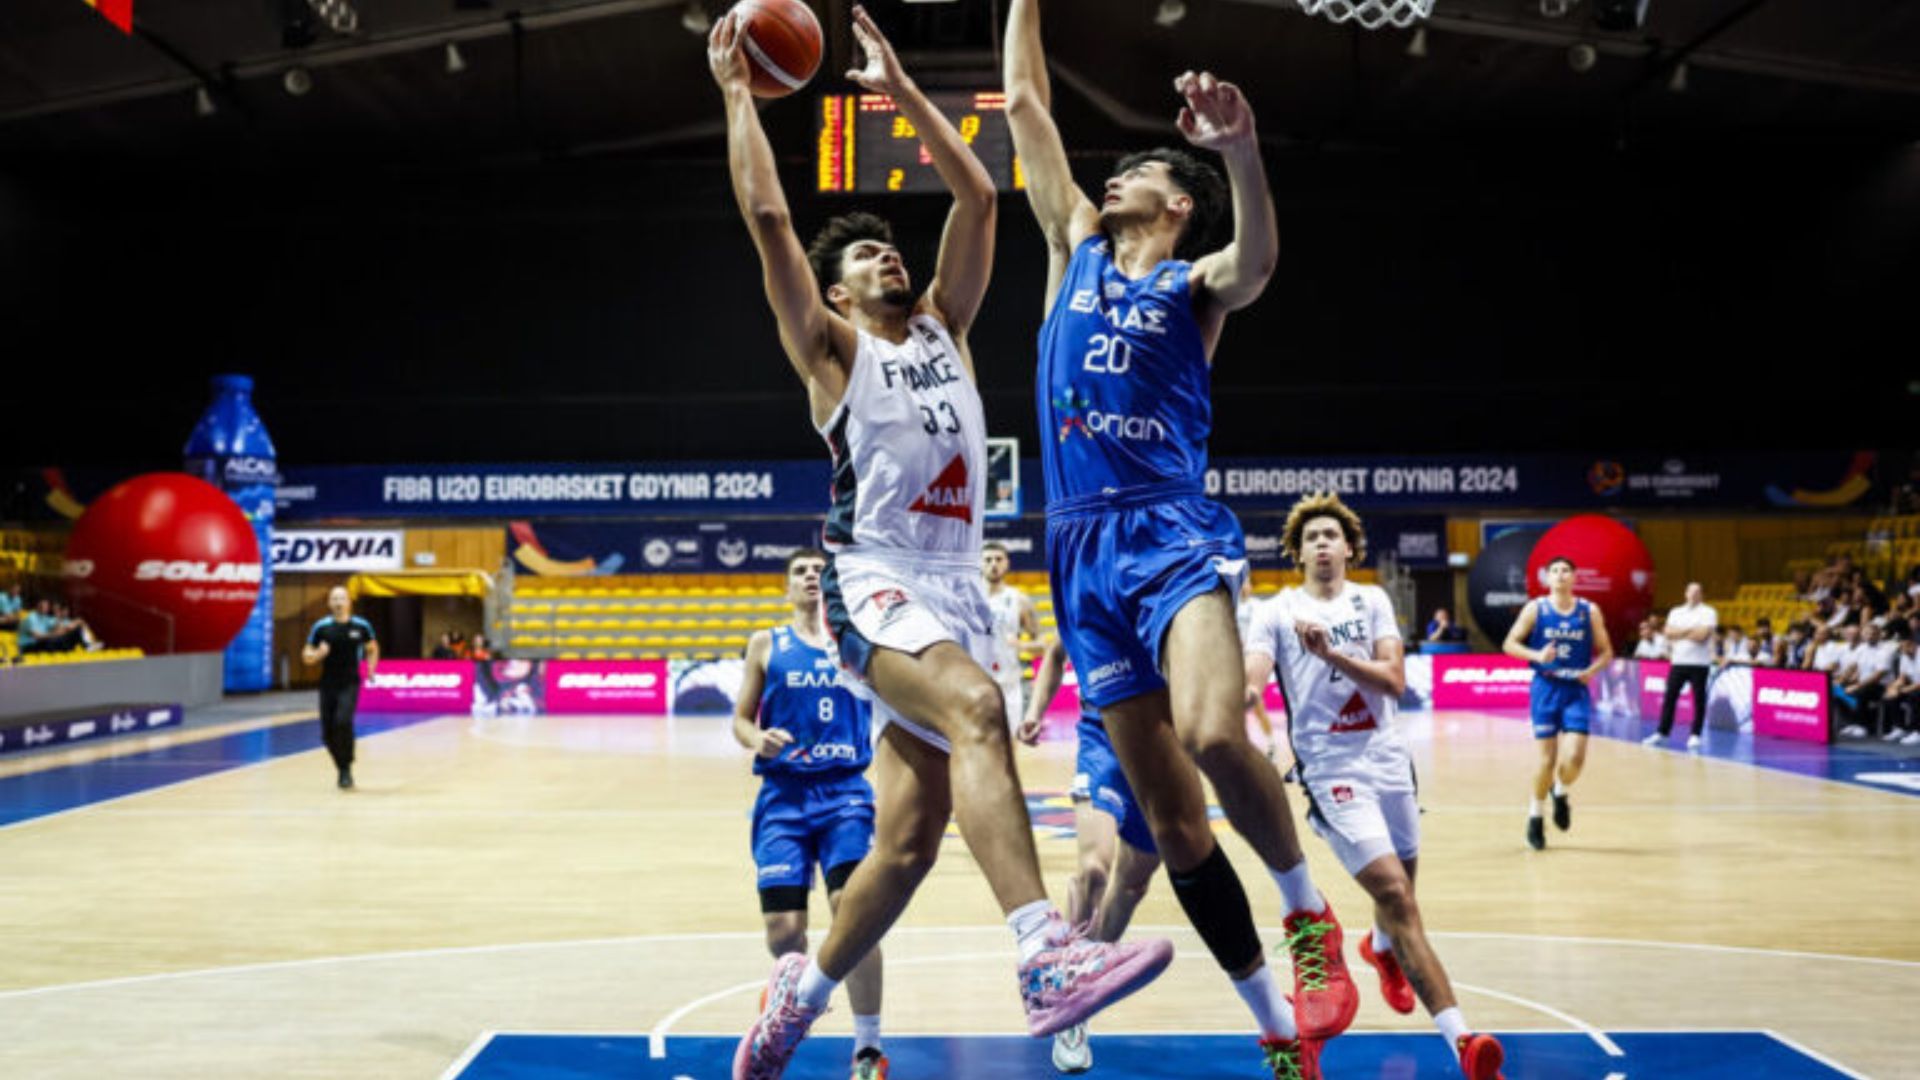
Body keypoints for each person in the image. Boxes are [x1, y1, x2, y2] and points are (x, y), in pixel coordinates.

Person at [713, 12, 1170, 1079]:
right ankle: (1044, 955)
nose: (889, 254)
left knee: (909, 844)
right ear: (837, 293)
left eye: (890, 246)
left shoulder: (944, 326)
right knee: (977, 710)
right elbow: (770, 216)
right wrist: (737, 91)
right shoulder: (831, 352)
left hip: (958, 586)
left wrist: (902, 90)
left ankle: (797, 1001)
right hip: (875, 576)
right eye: (866, 254)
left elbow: (978, 194)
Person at [1004, 1, 1353, 1074]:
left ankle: (1307, 915)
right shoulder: (1073, 251)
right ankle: (1277, 1025)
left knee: (1211, 734)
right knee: (1174, 827)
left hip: (1168, 527)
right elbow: (1023, 104)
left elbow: (1257, 265)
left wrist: (1242, 149)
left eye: (1137, 174)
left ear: (1178, 203)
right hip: (1078, 551)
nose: (1112, 181)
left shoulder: (1188, 286)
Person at [1243, 492, 1506, 1080]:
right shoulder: (1276, 611)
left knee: (1402, 892)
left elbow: (1393, 681)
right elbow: (1253, 676)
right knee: (1397, 895)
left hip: (1388, 761)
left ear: (1349, 548)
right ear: (1297, 552)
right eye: (1311, 537)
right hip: (1331, 770)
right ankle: (1465, 1043)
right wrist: (1241, 697)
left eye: (1331, 536)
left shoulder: (1374, 600)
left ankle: (1380, 949)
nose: (1321, 544)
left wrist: (1330, 653)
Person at [731, 549, 887, 1080]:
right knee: (784, 930)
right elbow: (740, 720)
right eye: (800, 571)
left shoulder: (858, 641)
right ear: (787, 587)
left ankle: (868, 1049)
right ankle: (789, 1002)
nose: (810, 576)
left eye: (819, 570)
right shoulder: (766, 644)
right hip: (783, 796)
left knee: (854, 913)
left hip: (845, 794)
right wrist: (758, 738)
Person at [1019, 638, 1163, 1075]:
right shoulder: (1088, 599)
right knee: (1094, 868)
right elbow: (1055, 653)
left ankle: (1084, 979)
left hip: (1159, 741)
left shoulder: (1164, 604)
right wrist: (1034, 712)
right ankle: (1070, 1007)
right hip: (1100, 737)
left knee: (1134, 882)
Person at [1502, 557, 1614, 852]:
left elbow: (1606, 651)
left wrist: (1592, 670)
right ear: (1547, 578)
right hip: (1546, 688)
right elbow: (1509, 644)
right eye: (1555, 571)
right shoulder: (1536, 608)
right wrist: (1537, 656)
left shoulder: (1589, 611)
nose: (1560, 575)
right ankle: (1535, 816)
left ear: (1575, 577)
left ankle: (1560, 791)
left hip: (1576, 688)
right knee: (1546, 761)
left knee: (1574, 759)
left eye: (1566, 571)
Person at [301, 586, 378, 789]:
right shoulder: (321, 627)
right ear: (329, 603)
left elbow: (372, 648)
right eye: (334, 599)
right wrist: (318, 654)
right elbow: (306, 656)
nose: (338, 602)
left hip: (350, 682)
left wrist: (371, 668)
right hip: (328, 684)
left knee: (343, 721)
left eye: (341, 598)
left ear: (349, 602)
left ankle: (346, 768)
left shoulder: (361, 626)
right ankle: (342, 765)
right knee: (327, 734)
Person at [1644, 582, 1715, 751]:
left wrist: (1680, 632)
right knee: (1669, 697)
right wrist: (1691, 630)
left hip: (1699, 663)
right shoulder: (1676, 612)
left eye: (1697, 592)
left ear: (1702, 594)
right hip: (1678, 662)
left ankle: (1695, 735)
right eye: (1690, 591)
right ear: (1685, 593)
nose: (1693, 594)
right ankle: (1662, 732)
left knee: (1699, 700)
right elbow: (1668, 633)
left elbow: (1702, 636)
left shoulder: (1708, 612)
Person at [983, 541, 1040, 730]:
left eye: (998, 559)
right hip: (978, 683)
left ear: (1007, 563)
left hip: (1009, 684)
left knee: (1011, 741)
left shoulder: (1020, 600)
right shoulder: (969, 599)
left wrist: (1022, 645)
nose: (993, 564)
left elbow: (1041, 645)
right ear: (980, 564)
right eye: (988, 560)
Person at [1238, 578, 1279, 760]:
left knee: (1256, 704)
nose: (1243, 588)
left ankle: (1271, 743)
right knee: (1235, 708)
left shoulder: (1257, 606)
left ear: (1251, 586)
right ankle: (1242, 747)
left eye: (1246, 584)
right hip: (1234, 660)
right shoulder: (1231, 606)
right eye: (1241, 584)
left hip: (1252, 658)